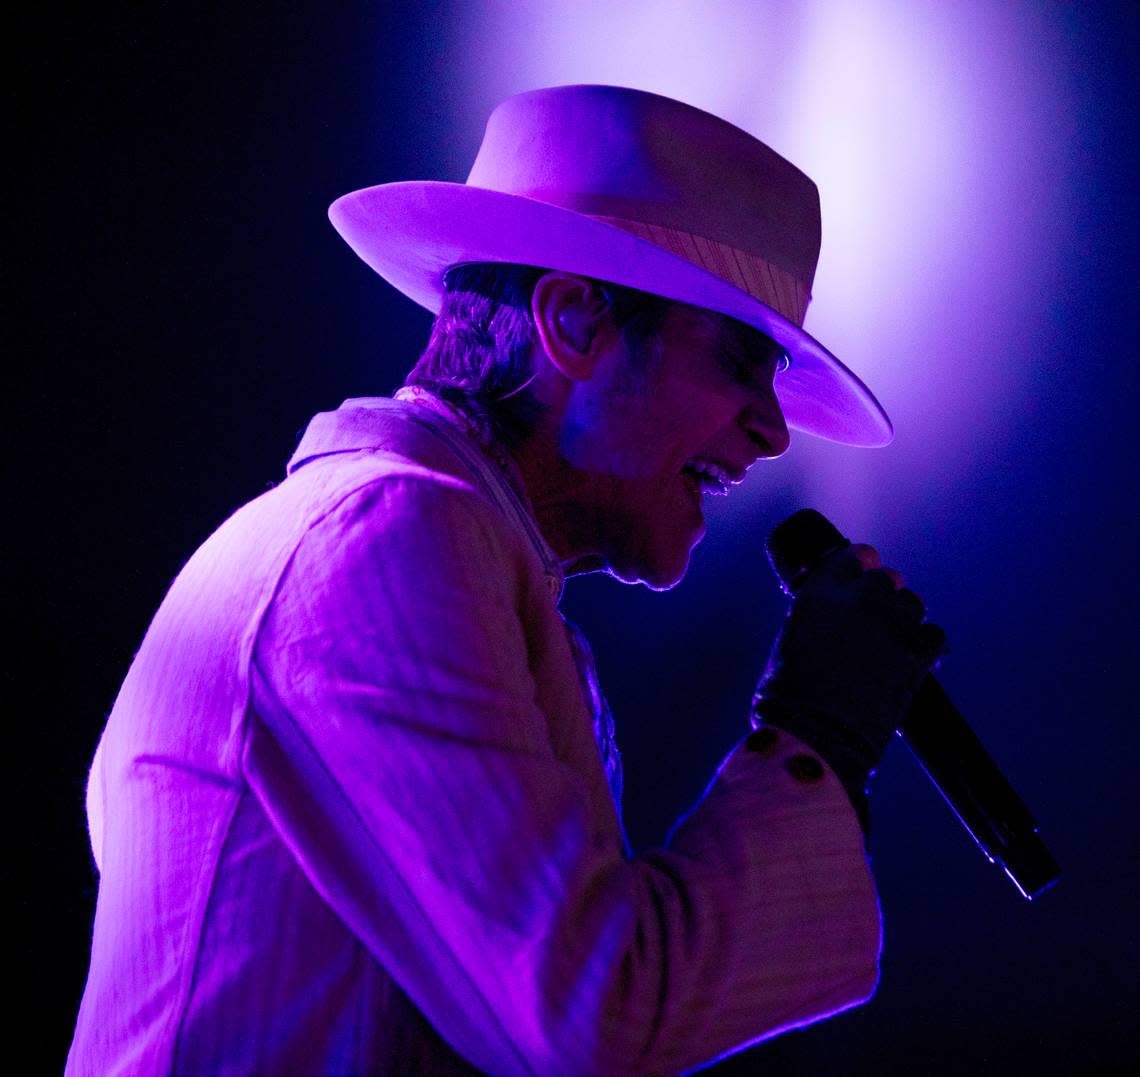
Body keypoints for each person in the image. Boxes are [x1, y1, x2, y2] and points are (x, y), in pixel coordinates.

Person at [67, 85, 944, 1075]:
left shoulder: (438, 546)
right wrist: (817, 734)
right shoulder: (387, 536)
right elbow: (590, 1017)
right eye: (742, 362)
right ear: (573, 320)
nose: (773, 427)